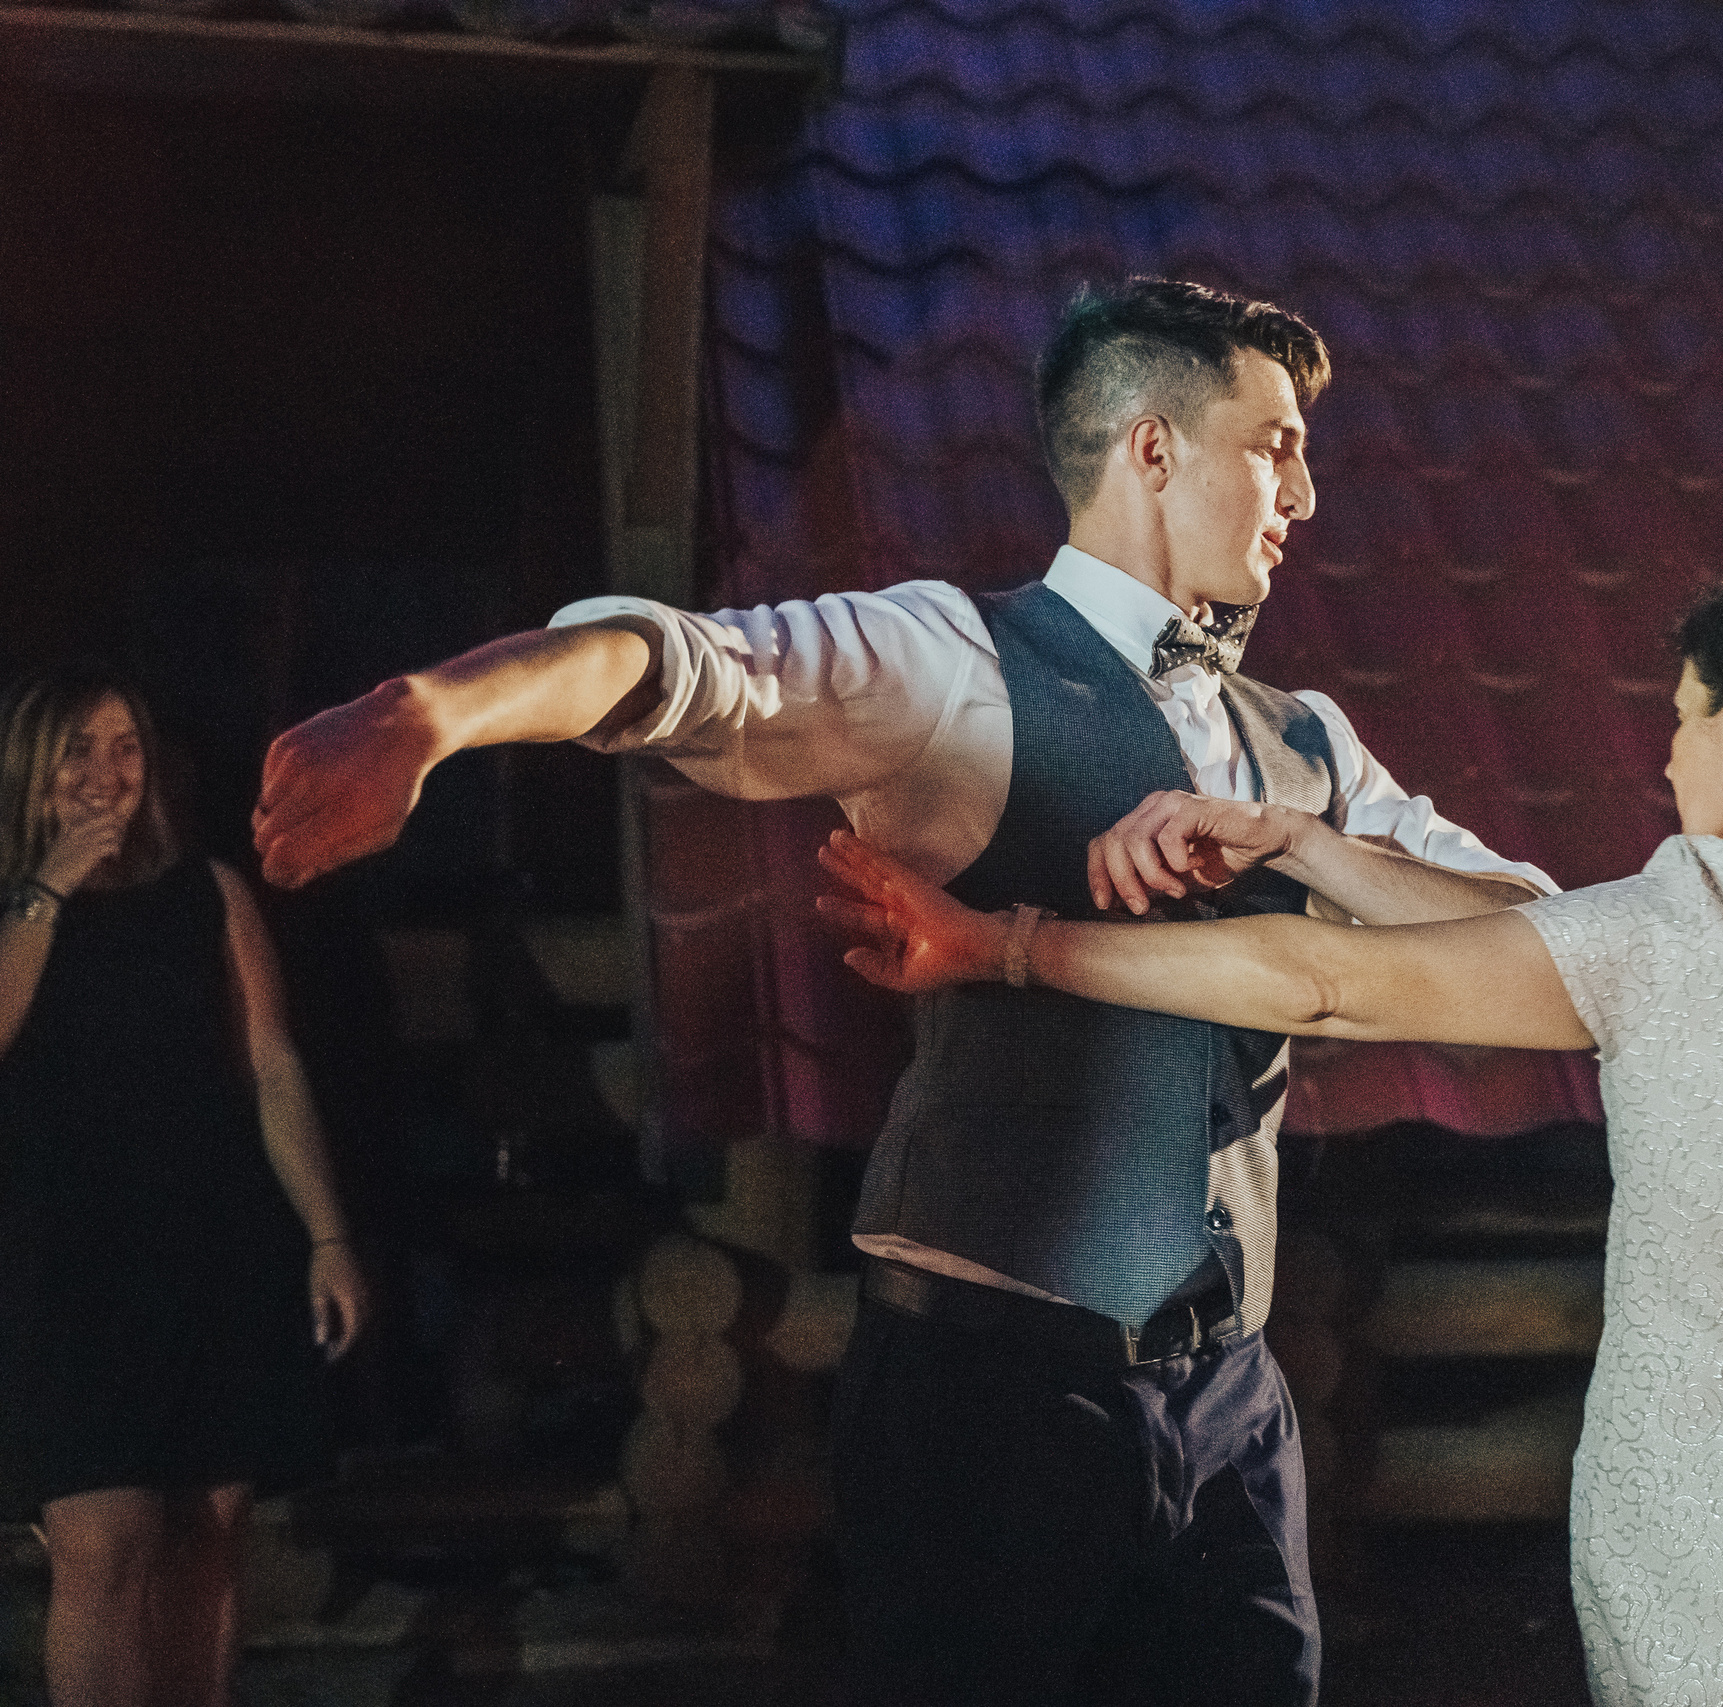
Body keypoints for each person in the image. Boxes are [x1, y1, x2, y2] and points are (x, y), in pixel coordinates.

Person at [250, 277, 1555, 1704]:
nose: (1303, 491)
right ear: (1153, 448)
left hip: (1228, 1396)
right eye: (1274, 445)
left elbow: (1544, 938)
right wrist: (432, 711)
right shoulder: (951, 659)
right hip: (996, 1388)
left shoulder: (1308, 744)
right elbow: (688, 666)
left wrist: (1305, 843)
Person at [815, 533, 1723, 1707]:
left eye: (1681, 720)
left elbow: (1320, 980)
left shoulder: (1680, 928)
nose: (1671, 762)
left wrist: (1003, 945)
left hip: (1721, 1544)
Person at [0, 665, 368, 1707]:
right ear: (31, 765)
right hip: (64, 1262)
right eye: (79, 750)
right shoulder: (15, 907)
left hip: (212, 1240)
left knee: (209, 1529)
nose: (106, 773)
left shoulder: (208, 895)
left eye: (126, 748)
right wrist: (50, 887)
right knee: (103, 1537)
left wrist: (328, 1235)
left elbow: (272, 1067)